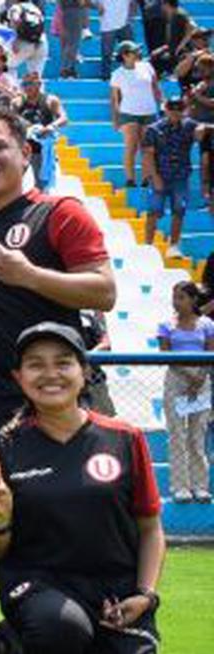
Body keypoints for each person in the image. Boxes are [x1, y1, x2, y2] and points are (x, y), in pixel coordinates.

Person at [0, 323, 166, 654]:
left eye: (63, 363)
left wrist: (145, 596)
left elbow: (150, 529)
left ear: (84, 371)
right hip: (40, 587)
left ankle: (7, 648)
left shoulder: (124, 438)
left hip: (115, 598)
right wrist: (0, 515)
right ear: (18, 377)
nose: (50, 375)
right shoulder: (4, 446)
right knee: (60, 625)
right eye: (35, 365)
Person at [0, 106, 116, 441]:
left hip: (56, 402)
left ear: (25, 153)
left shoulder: (60, 212)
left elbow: (104, 292)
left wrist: (28, 275)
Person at [159, 281, 214, 502]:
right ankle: (179, 486)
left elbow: (211, 352)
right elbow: (164, 354)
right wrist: (187, 375)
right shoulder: (165, 325)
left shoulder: (207, 324)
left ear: (193, 299)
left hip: (202, 382)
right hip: (176, 380)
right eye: (174, 297)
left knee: (196, 435)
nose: (176, 302)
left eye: (181, 297)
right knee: (177, 435)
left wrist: (199, 377)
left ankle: (200, 486)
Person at [143, 99, 207, 257]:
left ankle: (174, 245)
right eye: (172, 109)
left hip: (180, 176)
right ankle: (147, 246)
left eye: (179, 109)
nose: (176, 112)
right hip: (160, 174)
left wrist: (203, 127)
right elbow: (148, 156)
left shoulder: (189, 125)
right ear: (166, 109)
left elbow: (204, 127)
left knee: (179, 211)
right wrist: (155, 177)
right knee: (154, 211)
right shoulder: (154, 129)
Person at [110, 40, 162, 188]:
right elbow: (115, 99)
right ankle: (130, 179)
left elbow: (155, 88)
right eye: (134, 51)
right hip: (129, 113)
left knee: (147, 148)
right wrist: (116, 119)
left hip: (149, 111)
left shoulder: (147, 67)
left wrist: (161, 104)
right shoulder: (117, 74)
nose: (138, 53)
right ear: (125, 55)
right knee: (131, 146)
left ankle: (146, 177)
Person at [16, 72, 69, 191]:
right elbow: (10, 122)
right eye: (24, 84)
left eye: (30, 83)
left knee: (42, 185)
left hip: (41, 149)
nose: (26, 87)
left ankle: (41, 207)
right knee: (12, 182)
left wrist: (51, 126)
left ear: (39, 84)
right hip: (21, 148)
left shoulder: (50, 100)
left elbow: (64, 118)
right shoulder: (18, 102)